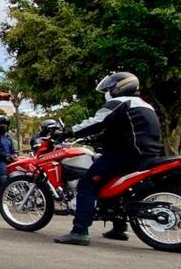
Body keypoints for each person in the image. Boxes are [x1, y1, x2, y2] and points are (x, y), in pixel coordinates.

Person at [54, 72, 163, 246]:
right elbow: (125, 129)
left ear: (119, 87)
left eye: (109, 88)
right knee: (116, 188)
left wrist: (68, 132)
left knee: (87, 185)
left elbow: (97, 121)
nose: (107, 92)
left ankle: (80, 231)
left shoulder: (120, 102)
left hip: (124, 154)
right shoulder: (144, 104)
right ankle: (119, 228)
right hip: (145, 153)